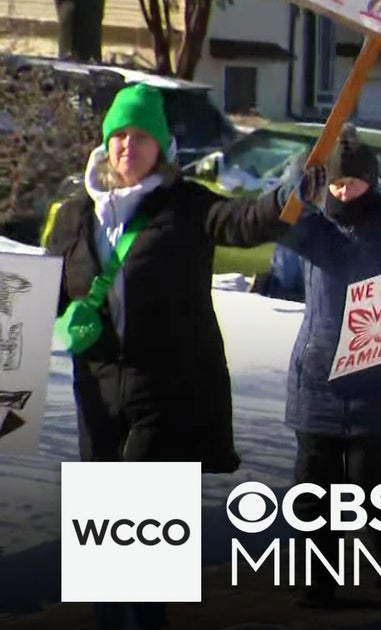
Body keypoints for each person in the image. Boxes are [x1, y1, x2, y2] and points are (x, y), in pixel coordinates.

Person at [45, 84, 296, 630]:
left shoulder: (187, 205)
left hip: (167, 389)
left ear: (160, 146)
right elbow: (43, 291)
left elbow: (244, 221)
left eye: (139, 137)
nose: (127, 147)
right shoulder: (75, 213)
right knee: (104, 545)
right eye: (118, 136)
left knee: (143, 535)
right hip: (98, 389)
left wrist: (286, 196)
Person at [276, 124, 381, 607]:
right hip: (318, 376)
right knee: (314, 486)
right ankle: (315, 580)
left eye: (353, 183)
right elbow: (280, 207)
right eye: (337, 184)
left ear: (373, 180)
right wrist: (302, 171)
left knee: (370, 480)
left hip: (377, 379)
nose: (344, 192)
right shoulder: (313, 228)